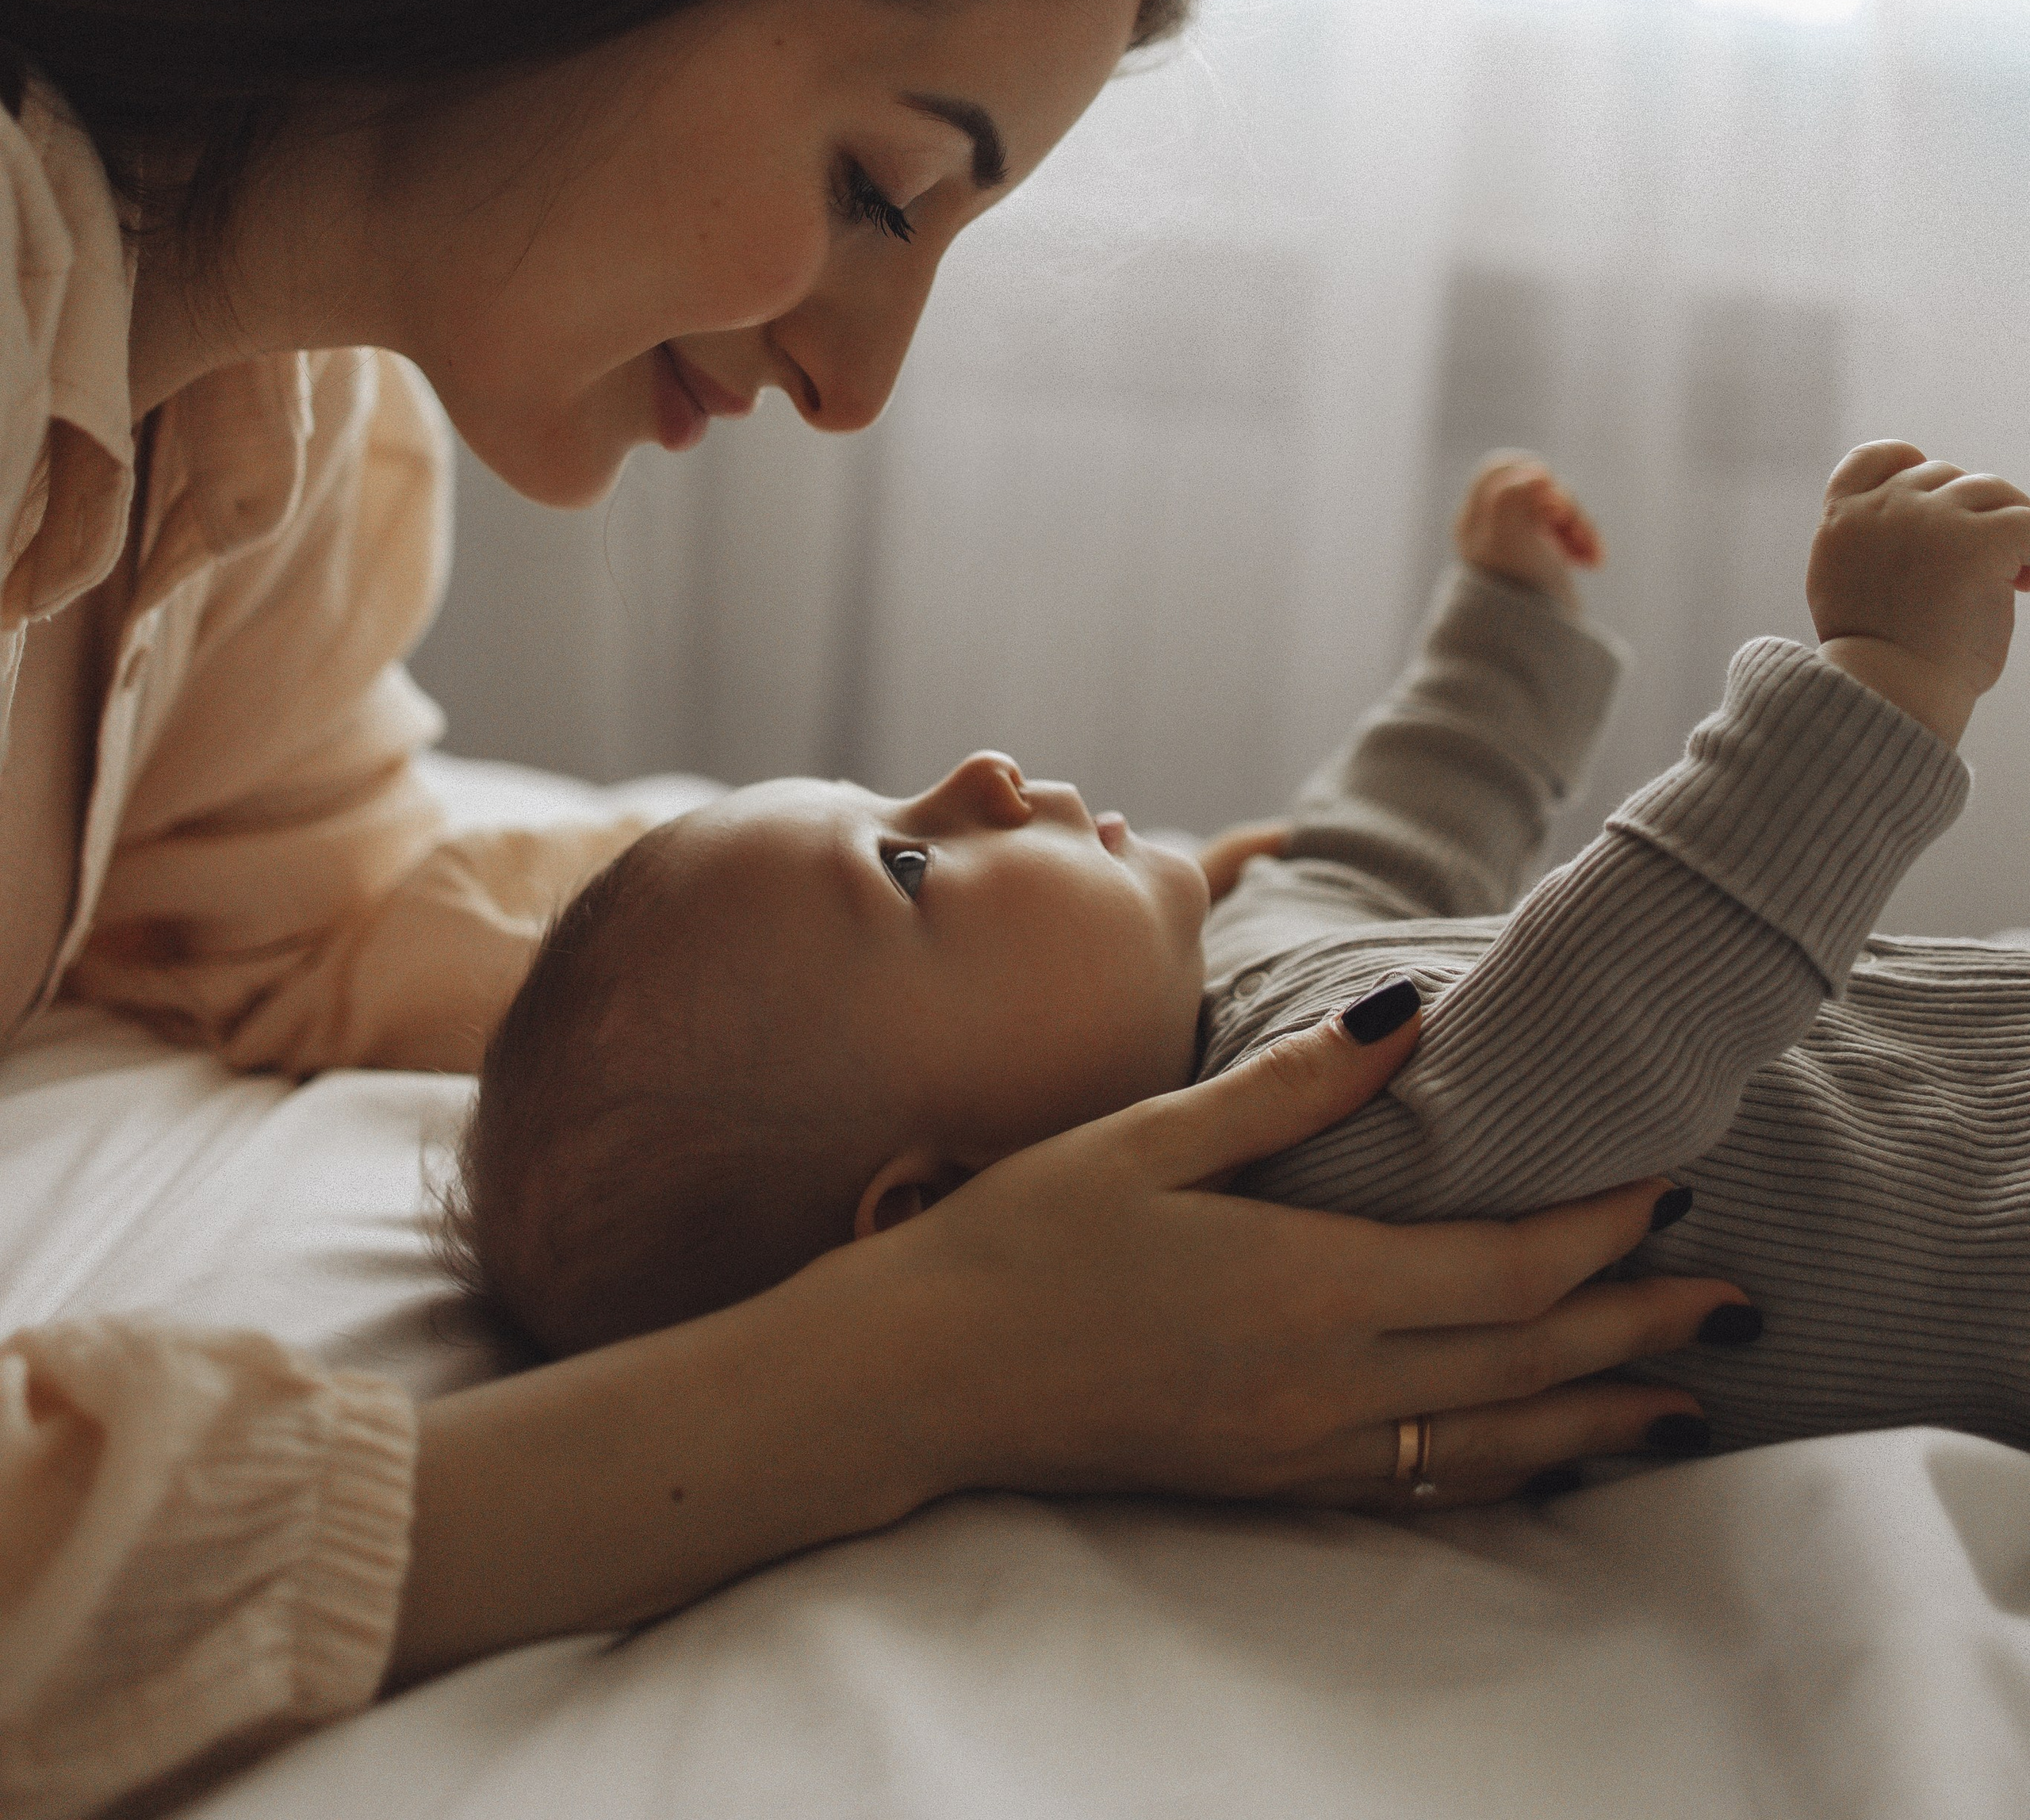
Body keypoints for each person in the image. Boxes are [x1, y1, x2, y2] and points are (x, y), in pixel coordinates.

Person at [0, 0, 1745, 1820]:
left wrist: (1098, 1057)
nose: (850, 378)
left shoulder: (256, 436)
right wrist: (915, 1369)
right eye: (874, 189)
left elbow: (287, 915)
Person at [457, 441, 2030, 1465]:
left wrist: (1498, 633)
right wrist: (1876, 680)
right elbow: (1629, 993)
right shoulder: (1286, 1212)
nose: (983, 776)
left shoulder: (1237, 978)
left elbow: (1377, 839)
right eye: (910, 861)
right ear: (923, 1211)